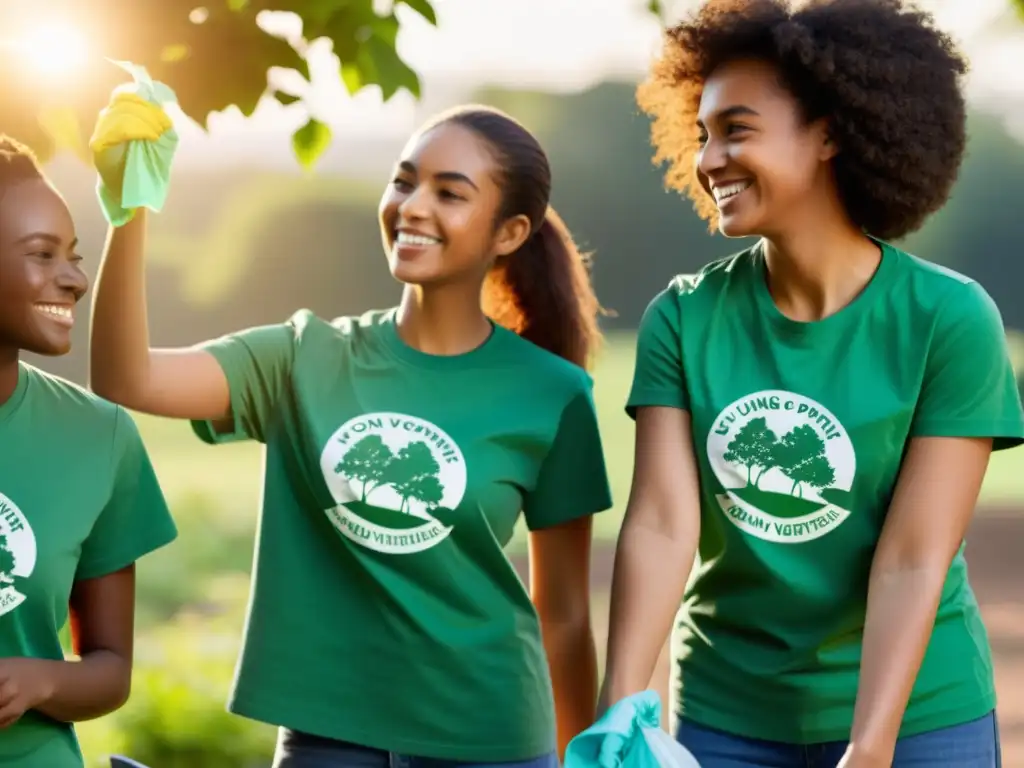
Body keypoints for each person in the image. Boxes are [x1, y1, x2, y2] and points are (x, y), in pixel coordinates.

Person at [88, 103, 613, 767]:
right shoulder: (302, 356)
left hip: (490, 738)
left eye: (450, 193)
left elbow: (562, 615)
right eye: (403, 181)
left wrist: (578, 758)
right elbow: (126, 377)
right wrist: (129, 208)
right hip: (325, 739)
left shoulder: (553, 394)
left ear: (509, 233)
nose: (413, 206)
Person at [599, 0, 1023, 766]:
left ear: (829, 133)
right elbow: (662, 523)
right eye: (702, 135)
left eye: (737, 129)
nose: (709, 159)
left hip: (922, 713)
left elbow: (914, 554)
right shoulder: (683, 318)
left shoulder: (950, 317)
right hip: (729, 716)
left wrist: (871, 746)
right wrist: (620, 707)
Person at [0, 136, 178, 767]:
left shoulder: (98, 436)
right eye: (42, 255)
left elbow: (110, 668)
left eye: (72, 256)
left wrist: (39, 680)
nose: (74, 278)